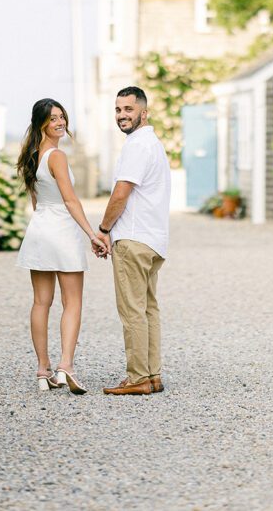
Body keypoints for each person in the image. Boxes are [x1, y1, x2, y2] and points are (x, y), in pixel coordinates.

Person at [15, 98, 108, 395]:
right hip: (61, 232)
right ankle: (64, 366)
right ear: (41, 122)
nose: (60, 122)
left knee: (41, 302)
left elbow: (36, 202)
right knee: (73, 302)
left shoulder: (31, 155)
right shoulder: (57, 155)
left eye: (62, 117)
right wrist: (92, 233)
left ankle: (42, 369)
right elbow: (70, 200)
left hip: (39, 230)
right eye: (53, 118)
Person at [95, 86, 171, 396]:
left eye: (128, 109)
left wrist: (103, 228)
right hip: (153, 240)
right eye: (118, 110)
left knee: (131, 311)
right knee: (148, 310)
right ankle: (152, 376)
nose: (122, 115)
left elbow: (122, 192)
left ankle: (138, 377)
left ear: (144, 112)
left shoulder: (137, 146)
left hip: (133, 239)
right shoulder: (152, 143)